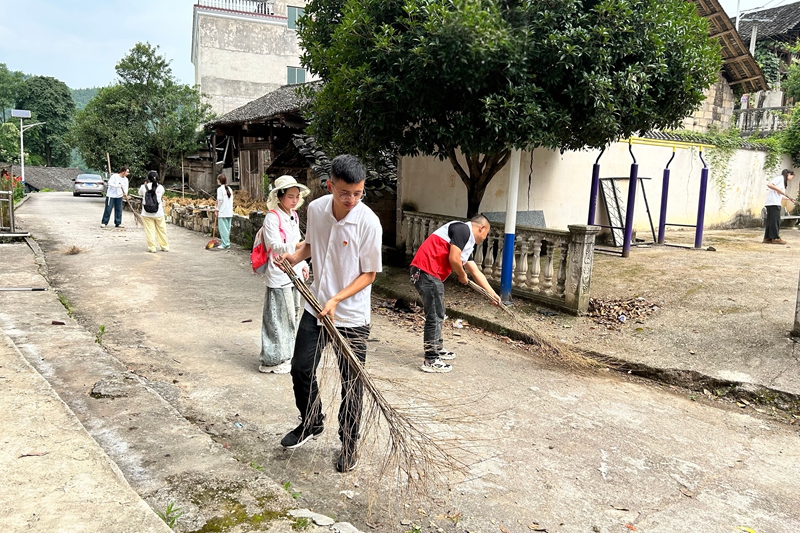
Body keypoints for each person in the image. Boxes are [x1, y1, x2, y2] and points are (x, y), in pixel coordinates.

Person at [277, 155, 382, 473]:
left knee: (352, 384)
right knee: (300, 367)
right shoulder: (316, 209)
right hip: (316, 305)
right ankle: (311, 421)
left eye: (358, 193)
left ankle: (349, 443)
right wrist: (294, 257)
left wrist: (337, 299)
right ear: (329, 186)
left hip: (351, 316)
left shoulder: (369, 222)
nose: (351, 199)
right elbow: (312, 244)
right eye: (344, 193)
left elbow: (369, 274)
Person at [410, 214, 498, 373]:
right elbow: (454, 259)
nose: (485, 238)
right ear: (481, 228)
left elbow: (476, 272)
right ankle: (431, 359)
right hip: (426, 272)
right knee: (435, 315)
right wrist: (462, 275)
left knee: (438, 312)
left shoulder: (466, 242)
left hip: (429, 274)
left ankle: (437, 347)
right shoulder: (462, 229)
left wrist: (491, 294)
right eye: (486, 234)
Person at [258, 175, 310, 374]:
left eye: (297, 196)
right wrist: (297, 246)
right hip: (279, 273)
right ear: (280, 196)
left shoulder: (293, 215)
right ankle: (273, 359)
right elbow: (274, 245)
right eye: (290, 196)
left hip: (293, 273)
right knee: (278, 318)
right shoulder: (272, 217)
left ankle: (287, 355)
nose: (295, 200)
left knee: (292, 315)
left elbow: (298, 244)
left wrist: (302, 262)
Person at [138, 171, 170, 253]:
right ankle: (164, 246)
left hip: (146, 213)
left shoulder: (143, 187)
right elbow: (161, 195)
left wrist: (145, 184)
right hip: (158, 212)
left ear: (148, 178)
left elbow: (140, 193)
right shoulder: (161, 187)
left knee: (150, 231)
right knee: (162, 230)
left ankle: (152, 248)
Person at [764, 169, 795, 245]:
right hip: (773, 203)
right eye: (792, 176)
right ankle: (776, 238)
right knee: (775, 221)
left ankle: (767, 238)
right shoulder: (780, 178)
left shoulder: (783, 182)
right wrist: (779, 190)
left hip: (773, 203)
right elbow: (769, 184)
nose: (791, 178)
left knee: (771, 221)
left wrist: (790, 199)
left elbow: (780, 196)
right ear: (788, 174)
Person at [216, 174, 234, 249]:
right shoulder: (230, 189)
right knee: (227, 229)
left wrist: (217, 209)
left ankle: (225, 244)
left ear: (220, 181)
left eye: (217, 180)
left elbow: (220, 200)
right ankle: (227, 243)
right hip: (229, 211)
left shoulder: (220, 189)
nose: (217, 181)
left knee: (223, 229)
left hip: (223, 212)